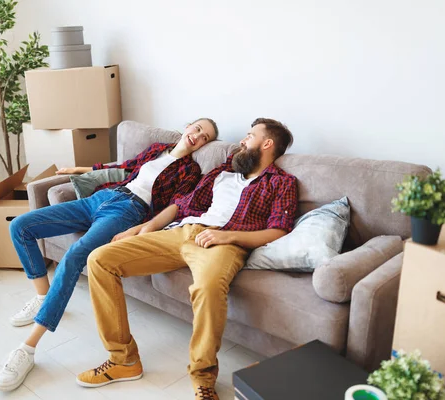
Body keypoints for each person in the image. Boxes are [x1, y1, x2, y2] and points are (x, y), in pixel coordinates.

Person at [78, 118, 298, 400]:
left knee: (207, 289)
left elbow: (279, 229)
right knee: (100, 260)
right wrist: (140, 230)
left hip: (223, 242)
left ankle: (203, 377)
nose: (242, 141)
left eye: (249, 136)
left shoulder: (281, 183)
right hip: (182, 231)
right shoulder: (224, 170)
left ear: (267, 144)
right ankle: (124, 361)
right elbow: (181, 205)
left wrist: (229, 237)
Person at [0, 118, 219, 392]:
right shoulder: (159, 148)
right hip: (103, 198)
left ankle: (27, 349)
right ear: (187, 127)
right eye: (197, 128)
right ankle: (43, 297)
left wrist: (136, 231)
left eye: (205, 137)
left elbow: (174, 210)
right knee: (21, 226)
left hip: (128, 211)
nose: (198, 136)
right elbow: (121, 169)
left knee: (76, 256)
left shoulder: (190, 171)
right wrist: (77, 169)